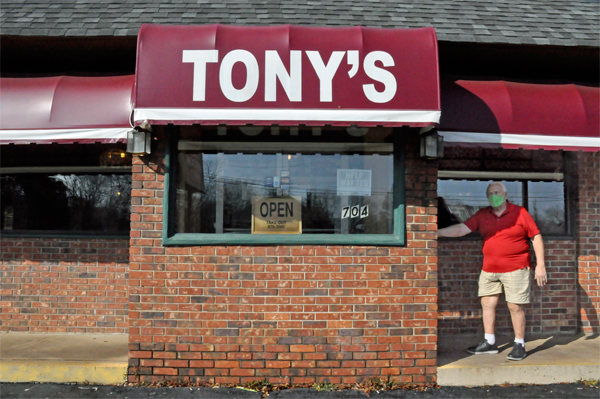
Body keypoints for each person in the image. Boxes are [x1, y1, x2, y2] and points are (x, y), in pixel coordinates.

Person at [438, 182, 547, 361]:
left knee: (515, 306)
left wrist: (540, 265)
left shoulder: (520, 213)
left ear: (505, 195)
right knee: (487, 304)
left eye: (496, 192)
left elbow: (536, 236)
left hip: (516, 269)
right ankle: (489, 342)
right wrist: (436, 233)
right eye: (490, 194)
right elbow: (461, 229)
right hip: (489, 270)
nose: (493, 196)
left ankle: (519, 344)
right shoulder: (483, 214)